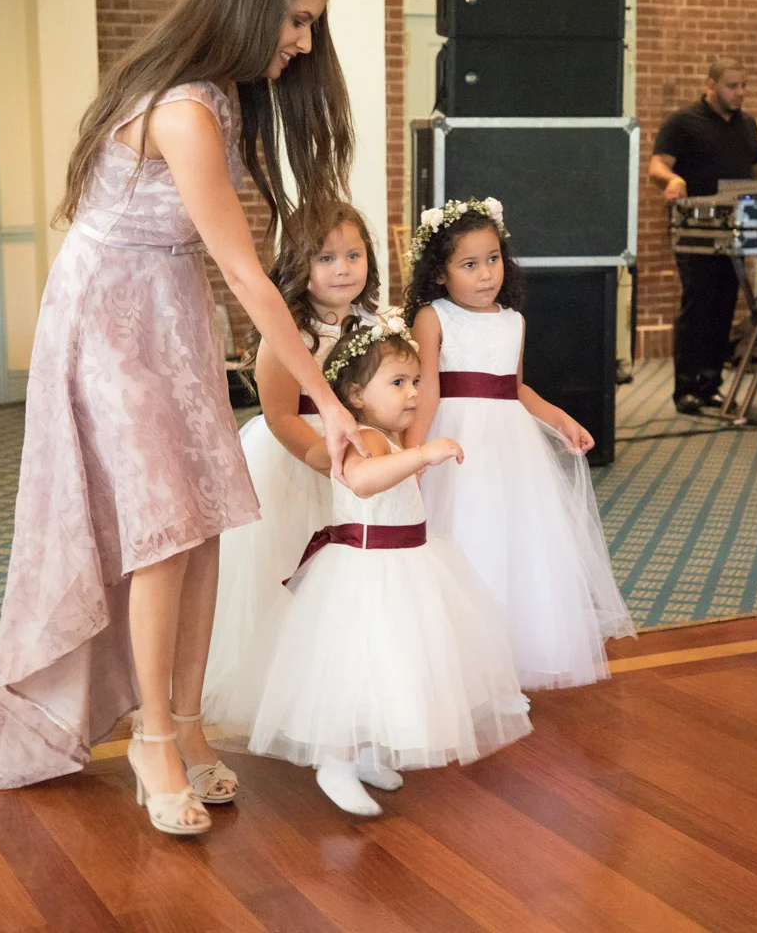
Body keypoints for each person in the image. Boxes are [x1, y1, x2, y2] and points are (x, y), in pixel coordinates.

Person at [0, 0, 363, 839]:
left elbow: (217, 265)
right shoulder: (182, 110)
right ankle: (150, 740)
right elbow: (247, 273)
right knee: (163, 529)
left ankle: (184, 721)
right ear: (250, 4)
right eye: (296, 20)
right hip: (108, 314)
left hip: (171, 304)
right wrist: (329, 400)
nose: (304, 43)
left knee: (203, 519)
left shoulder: (222, 96)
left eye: (310, 24)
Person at [229, 317, 531, 817]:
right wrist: (421, 455)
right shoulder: (361, 437)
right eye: (398, 382)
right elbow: (362, 481)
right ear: (356, 394)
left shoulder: (385, 435)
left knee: (390, 665)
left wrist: (412, 452)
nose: (413, 393)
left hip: (405, 565)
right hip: (367, 572)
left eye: (416, 381)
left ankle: (367, 753)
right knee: (357, 666)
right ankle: (336, 761)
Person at [405, 198, 635, 690]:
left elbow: (515, 389)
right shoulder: (433, 317)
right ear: (440, 273)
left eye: (493, 259)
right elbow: (427, 392)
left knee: (509, 540)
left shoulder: (513, 321)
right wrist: (413, 455)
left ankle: (506, 656)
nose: (486, 274)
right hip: (455, 443)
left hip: (509, 448)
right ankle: (460, 660)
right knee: (461, 534)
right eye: (469, 264)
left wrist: (561, 420)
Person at [201, 200, 381, 724]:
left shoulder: (375, 324)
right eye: (326, 258)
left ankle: (350, 675)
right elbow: (279, 415)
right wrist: (321, 458)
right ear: (299, 265)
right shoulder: (289, 333)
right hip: (298, 460)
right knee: (291, 569)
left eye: (354, 255)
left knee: (355, 577)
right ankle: (287, 684)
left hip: (361, 457)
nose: (343, 269)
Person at [649, 60, 757, 415]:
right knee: (698, 304)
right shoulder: (683, 122)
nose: (740, 93)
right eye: (732, 86)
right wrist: (673, 180)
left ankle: (710, 385)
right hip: (694, 231)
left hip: (734, 229)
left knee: (724, 305)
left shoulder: (747, 125)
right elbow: (657, 166)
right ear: (711, 85)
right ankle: (686, 388)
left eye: (743, 86)